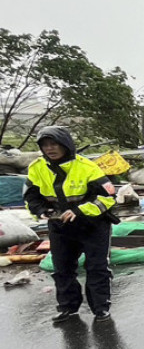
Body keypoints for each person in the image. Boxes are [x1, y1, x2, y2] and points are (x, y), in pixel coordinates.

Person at [24, 126, 118, 323]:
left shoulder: (87, 167)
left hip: (92, 225)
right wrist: (42, 211)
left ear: (66, 145)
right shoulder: (36, 168)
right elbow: (30, 196)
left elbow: (108, 196)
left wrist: (79, 211)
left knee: (97, 268)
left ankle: (101, 309)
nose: (50, 149)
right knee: (62, 269)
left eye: (54, 144)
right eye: (45, 145)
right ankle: (68, 308)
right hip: (60, 226)